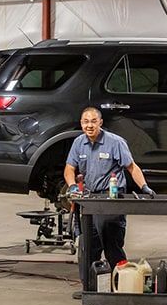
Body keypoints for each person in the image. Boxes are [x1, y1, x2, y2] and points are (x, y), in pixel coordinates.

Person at [64, 107, 155, 288]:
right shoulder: (78, 143)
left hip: (111, 200)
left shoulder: (115, 142)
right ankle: (90, 289)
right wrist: (73, 186)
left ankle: (123, 287)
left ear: (100, 122)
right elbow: (69, 169)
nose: (89, 125)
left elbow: (132, 167)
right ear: (81, 123)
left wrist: (144, 187)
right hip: (90, 201)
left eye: (93, 121)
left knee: (112, 245)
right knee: (88, 247)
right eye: (85, 122)